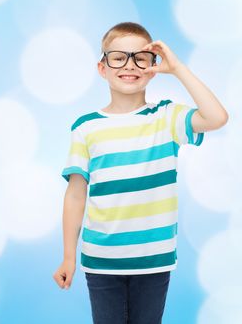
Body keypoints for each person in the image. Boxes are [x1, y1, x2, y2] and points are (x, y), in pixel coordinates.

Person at [53, 22, 228, 323]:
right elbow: (75, 194)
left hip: (154, 259)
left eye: (140, 58)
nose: (129, 65)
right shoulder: (86, 127)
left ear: (153, 67)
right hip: (102, 260)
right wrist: (69, 255)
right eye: (118, 57)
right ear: (102, 67)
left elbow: (217, 117)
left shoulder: (167, 117)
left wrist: (178, 68)